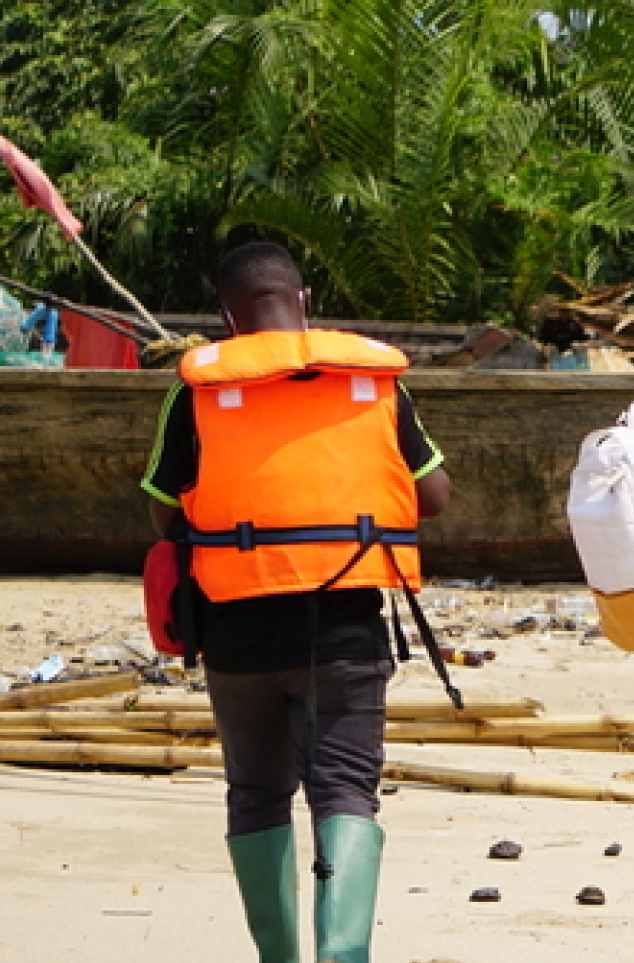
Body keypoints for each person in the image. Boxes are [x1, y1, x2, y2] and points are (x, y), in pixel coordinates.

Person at [141, 242, 449, 963]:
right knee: (345, 792)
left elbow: (163, 515)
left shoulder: (195, 393)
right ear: (304, 303)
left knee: (255, 794)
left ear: (225, 318)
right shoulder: (372, 385)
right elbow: (433, 496)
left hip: (237, 635)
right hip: (346, 633)